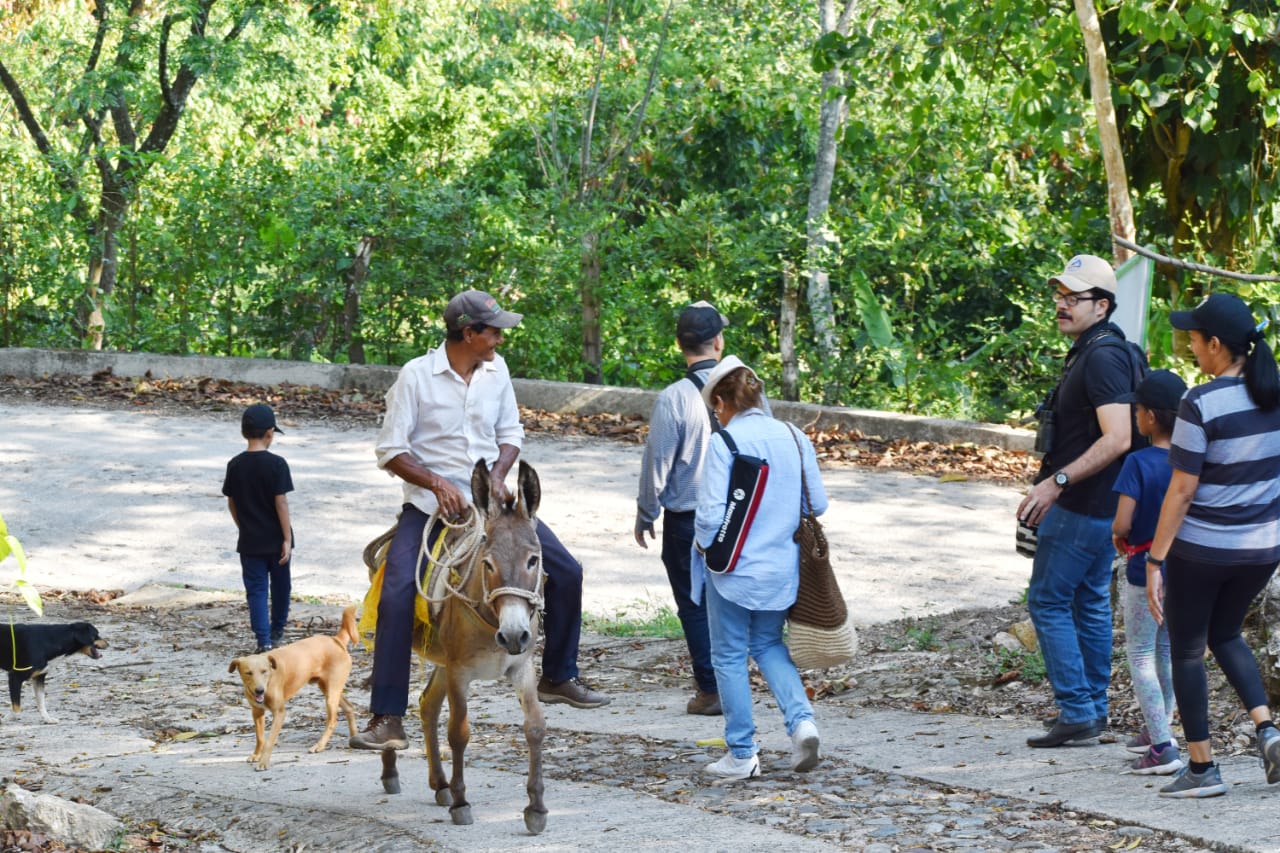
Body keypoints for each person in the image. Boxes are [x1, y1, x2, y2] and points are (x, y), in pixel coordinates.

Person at [351, 290, 609, 751]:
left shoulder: (497, 371)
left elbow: (510, 433)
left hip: (492, 504)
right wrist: (437, 483)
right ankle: (386, 716)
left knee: (566, 571)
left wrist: (497, 475)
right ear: (469, 333)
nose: (500, 341)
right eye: (493, 332)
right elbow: (390, 451)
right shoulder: (416, 377)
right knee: (396, 592)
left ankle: (558, 674)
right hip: (433, 507)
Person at [1144, 292, 1280, 798]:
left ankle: (1201, 769)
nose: (1192, 349)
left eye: (1195, 341)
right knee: (1225, 634)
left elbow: (1182, 489)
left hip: (1202, 550)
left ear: (1217, 345)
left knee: (1187, 648)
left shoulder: (1199, 402)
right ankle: (1268, 731)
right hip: (1262, 549)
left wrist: (1156, 558)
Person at [1016, 253, 1142, 748]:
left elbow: (1118, 437)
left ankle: (1077, 710)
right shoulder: (1102, 349)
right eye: (1060, 296)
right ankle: (1093, 709)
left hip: (1083, 503)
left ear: (1102, 305)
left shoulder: (1104, 356)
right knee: (1088, 602)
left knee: (1047, 601)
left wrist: (1056, 483)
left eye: (1074, 298)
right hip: (1102, 503)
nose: (1062, 305)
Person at [692, 356, 826, 780]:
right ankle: (802, 723)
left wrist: (700, 546)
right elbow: (816, 505)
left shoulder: (724, 443)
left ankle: (742, 752)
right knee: (768, 645)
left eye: (715, 408)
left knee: (729, 655)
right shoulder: (793, 435)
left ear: (720, 402)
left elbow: (711, 516)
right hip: (782, 571)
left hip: (733, 572)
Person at [633, 301, 731, 717]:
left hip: (687, 519)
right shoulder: (745, 388)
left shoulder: (674, 398)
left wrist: (646, 511)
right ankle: (738, 679)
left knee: (693, 603)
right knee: (732, 598)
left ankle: (711, 689)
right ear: (719, 343)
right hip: (737, 515)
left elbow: (658, 461)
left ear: (680, 344)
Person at [1111, 369, 1187, 776]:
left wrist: (1117, 536)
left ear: (1151, 417)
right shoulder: (1192, 461)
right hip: (1184, 568)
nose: (1135, 416)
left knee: (1139, 653)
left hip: (1145, 568)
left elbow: (1123, 523)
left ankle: (1161, 747)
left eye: (1137, 410)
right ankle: (1160, 728)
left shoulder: (1138, 463)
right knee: (1166, 651)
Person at [222, 403, 294, 654]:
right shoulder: (277, 464)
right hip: (276, 540)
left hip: (250, 541)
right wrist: (287, 538)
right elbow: (281, 502)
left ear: (244, 432)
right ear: (270, 433)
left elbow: (232, 503)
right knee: (281, 587)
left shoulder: (235, 464)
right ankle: (277, 630)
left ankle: (263, 640)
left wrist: (244, 527)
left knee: (256, 590)